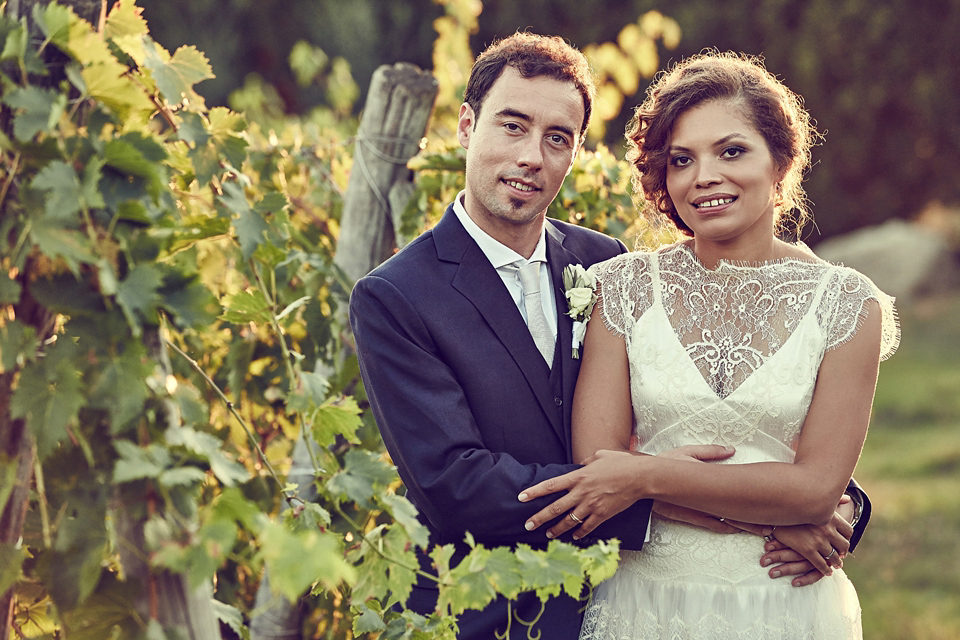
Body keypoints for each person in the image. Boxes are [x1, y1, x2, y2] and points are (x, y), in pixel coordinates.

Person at [350, 35, 871, 639]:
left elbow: (701, 415)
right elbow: (458, 486)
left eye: (556, 138)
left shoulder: (603, 264)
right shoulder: (397, 296)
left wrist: (834, 503)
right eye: (512, 126)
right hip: (496, 612)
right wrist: (745, 515)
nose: (531, 157)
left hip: (624, 594)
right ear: (467, 126)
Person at [518, 51, 899, 639]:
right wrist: (767, 515)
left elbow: (816, 488)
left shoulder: (850, 306)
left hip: (785, 603)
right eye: (681, 160)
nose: (704, 177)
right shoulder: (622, 289)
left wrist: (645, 477)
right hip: (644, 602)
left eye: (732, 151)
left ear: (781, 162)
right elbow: (598, 467)